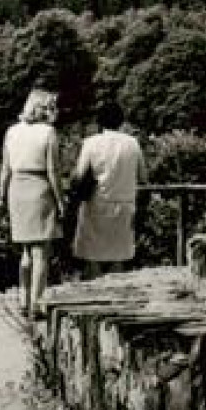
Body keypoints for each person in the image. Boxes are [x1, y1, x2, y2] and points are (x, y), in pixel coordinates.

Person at [0, 87, 63, 316]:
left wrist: (1, 196)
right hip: (39, 188)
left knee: (25, 249)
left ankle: (24, 299)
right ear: (43, 108)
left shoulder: (11, 132)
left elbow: (5, 169)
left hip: (17, 188)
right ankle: (37, 302)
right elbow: (53, 171)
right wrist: (60, 201)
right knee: (41, 252)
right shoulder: (48, 133)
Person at [69, 97, 147, 278]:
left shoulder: (90, 143)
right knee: (119, 255)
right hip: (125, 203)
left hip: (97, 203)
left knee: (92, 255)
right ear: (121, 121)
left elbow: (79, 175)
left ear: (99, 121)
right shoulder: (132, 143)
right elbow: (143, 177)